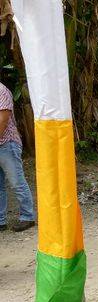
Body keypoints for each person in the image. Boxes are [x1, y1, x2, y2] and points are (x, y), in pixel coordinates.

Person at [0, 81, 35, 232]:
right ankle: (1, 221)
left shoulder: (1, 90)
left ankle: (27, 217)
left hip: (7, 143)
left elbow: (3, 119)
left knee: (17, 182)